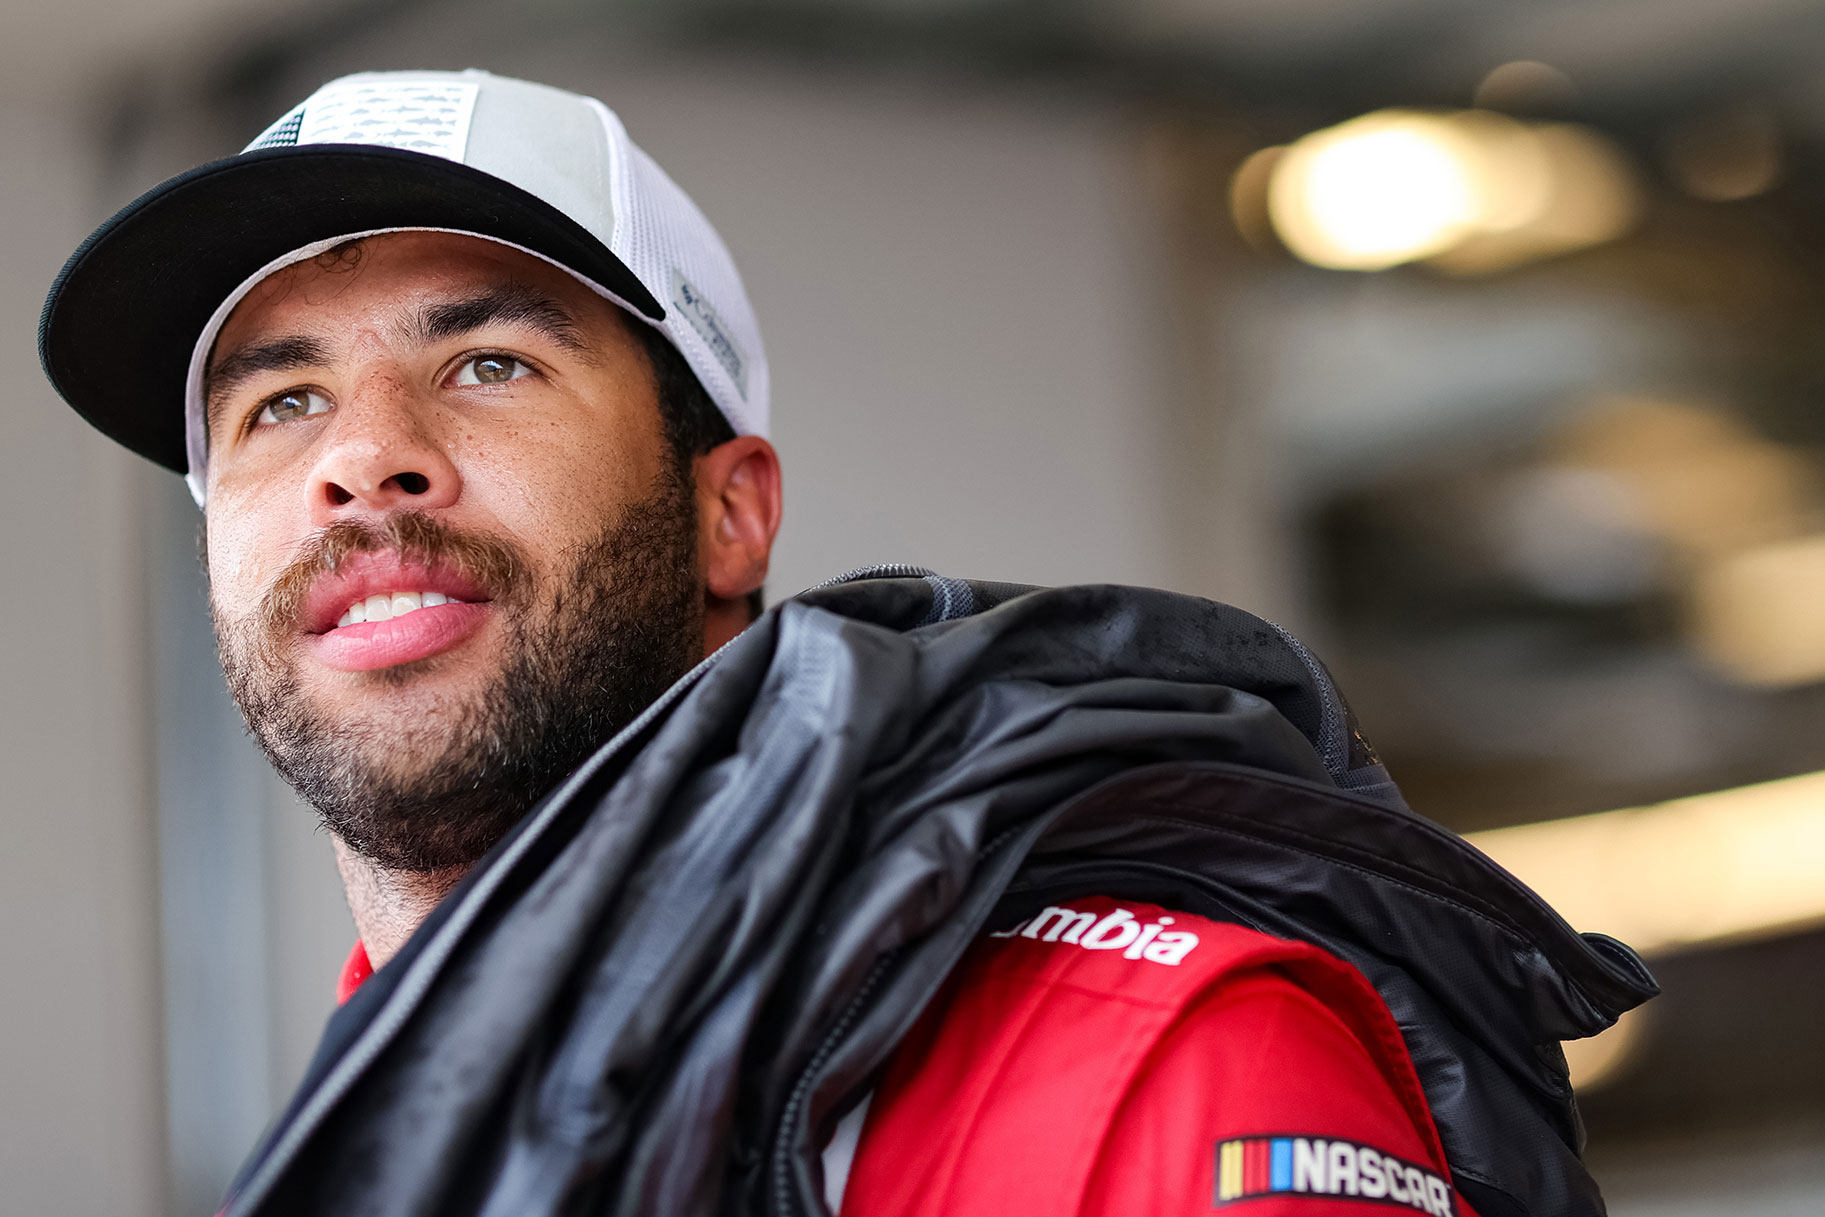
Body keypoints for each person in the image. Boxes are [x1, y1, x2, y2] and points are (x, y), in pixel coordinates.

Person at [39, 70, 1654, 1217]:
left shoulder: (1162, 1065)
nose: (359, 457)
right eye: (280, 402)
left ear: (730, 511)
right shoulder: (386, 1111)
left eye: (491, 366)